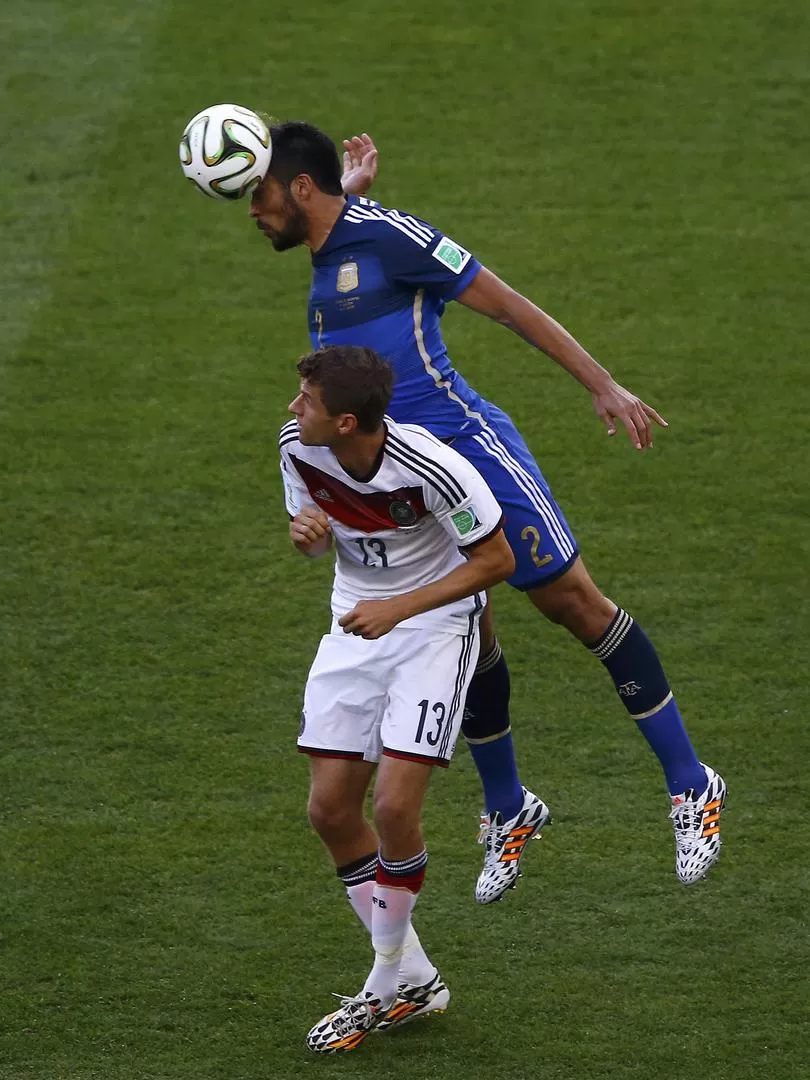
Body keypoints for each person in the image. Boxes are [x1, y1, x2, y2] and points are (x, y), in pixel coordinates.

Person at [250, 122, 727, 898]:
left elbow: (506, 305)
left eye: (260, 191)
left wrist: (602, 384)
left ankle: (690, 782)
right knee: (468, 631)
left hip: (470, 451)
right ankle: (509, 806)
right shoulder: (328, 252)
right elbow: (349, 244)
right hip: (414, 487)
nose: (250, 208)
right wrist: (352, 194)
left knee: (574, 604)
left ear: (301, 187)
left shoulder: (391, 239)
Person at [280, 344, 515, 1052]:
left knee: (392, 806)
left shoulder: (436, 469)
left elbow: (496, 560)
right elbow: (313, 542)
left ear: (347, 421)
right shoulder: (299, 447)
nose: (294, 409)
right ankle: (415, 977)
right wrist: (309, 539)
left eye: (307, 401)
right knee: (328, 810)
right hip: (355, 617)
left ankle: (382, 987)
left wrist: (404, 608)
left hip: (436, 626)